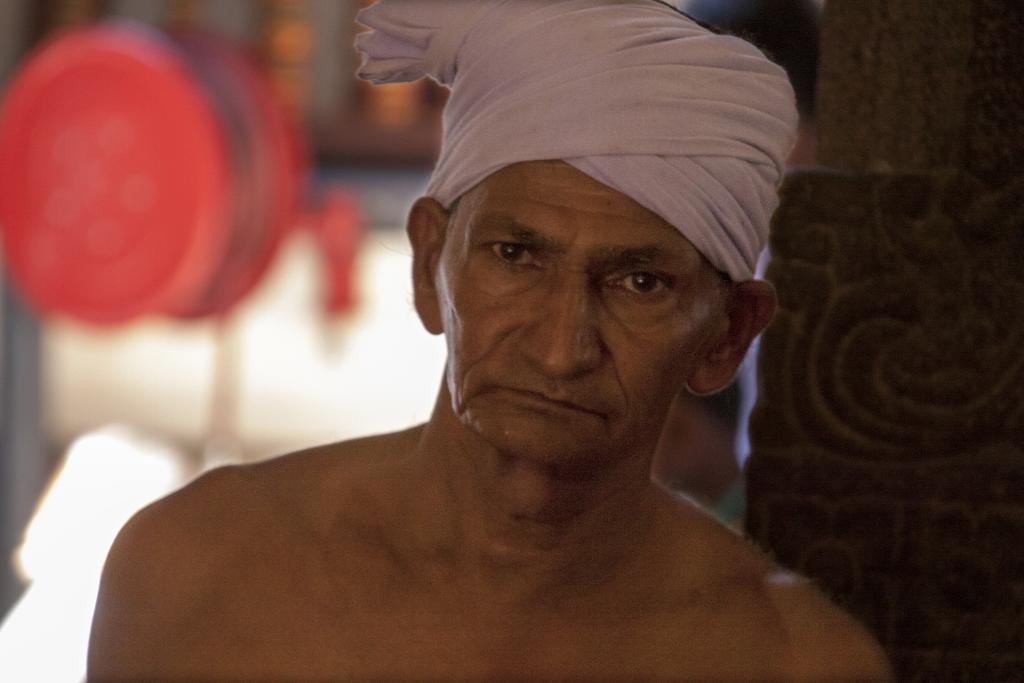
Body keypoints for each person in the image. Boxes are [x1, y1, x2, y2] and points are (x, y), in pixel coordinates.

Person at [88, 1, 893, 680]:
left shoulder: (792, 663)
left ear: (728, 334)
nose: (559, 348)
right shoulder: (194, 571)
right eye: (516, 256)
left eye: (638, 282)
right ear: (429, 259)